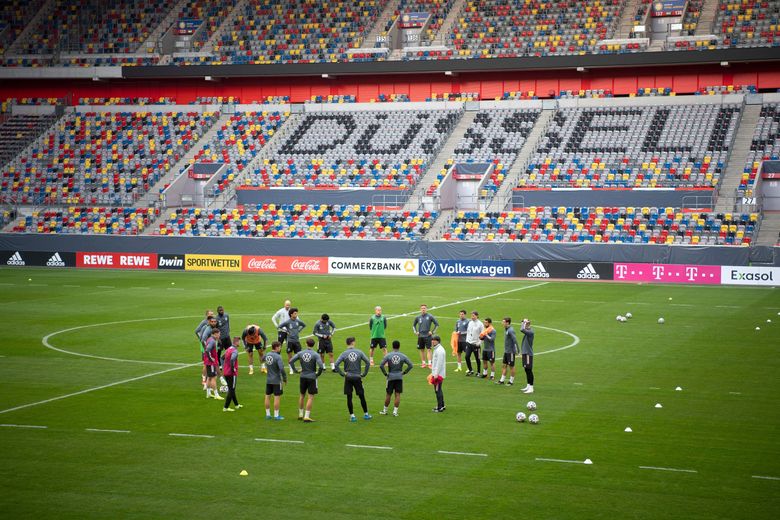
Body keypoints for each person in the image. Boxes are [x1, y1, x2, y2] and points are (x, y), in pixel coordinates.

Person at [334, 337, 372, 422]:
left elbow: (336, 365)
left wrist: (343, 374)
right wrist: (364, 374)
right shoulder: (359, 352)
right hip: (357, 377)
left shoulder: (344, 354)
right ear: (353, 343)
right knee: (361, 396)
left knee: (349, 397)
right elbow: (367, 362)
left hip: (348, 377)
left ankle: (352, 416)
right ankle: (366, 414)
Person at [289, 338, 324, 422]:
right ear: (313, 345)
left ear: (306, 344)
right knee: (310, 397)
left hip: (303, 376)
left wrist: (295, 370)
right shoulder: (315, 354)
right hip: (312, 377)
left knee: (301, 395)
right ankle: (306, 416)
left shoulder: (300, 353)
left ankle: (300, 414)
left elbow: (291, 361)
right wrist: (317, 374)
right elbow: (321, 366)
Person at [378, 340, 413, 416]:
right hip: (399, 377)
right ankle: (395, 412)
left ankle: (385, 410)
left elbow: (381, 365)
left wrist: (385, 374)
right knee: (397, 394)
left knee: (388, 394)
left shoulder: (388, 355)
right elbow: (411, 365)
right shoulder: (403, 356)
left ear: (392, 346)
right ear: (399, 346)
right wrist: (404, 372)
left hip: (390, 377)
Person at [263, 341, 287, 420]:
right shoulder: (278, 357)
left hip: (268, 380)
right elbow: (282, 369)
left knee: (267, 396)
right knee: (277, 397)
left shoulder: (267, 354)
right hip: (276, 380)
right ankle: (276, 416)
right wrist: (284, 378)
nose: (280, 349)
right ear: (276, 347)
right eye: (280, 347)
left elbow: (262, 359)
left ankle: (268, 414)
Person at [278, 308, 306, 374]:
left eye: (296, 313)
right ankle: (291, 369)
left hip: (297, 341)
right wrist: (286, 331)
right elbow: (280, 326)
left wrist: (299, 330)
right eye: (295, 313)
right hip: (290, 341)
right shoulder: (288, 322)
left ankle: (302, 368)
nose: (296, 314)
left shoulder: (298, 321)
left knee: (300, 355)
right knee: (289, 355)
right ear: (291, 314)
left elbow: (304, 325)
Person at [221, 337, 242, 412]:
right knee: (231, 390)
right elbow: (233, 359)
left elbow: (222, 358)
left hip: (226, 372)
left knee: (231, 389)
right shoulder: (234, 351)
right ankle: (225, 407)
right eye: (239, 342)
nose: (240, 343)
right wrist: (233, 368)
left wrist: (224, 367)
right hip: (231, 373)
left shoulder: (229, 349)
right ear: (236, 342)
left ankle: (236, 405)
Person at [496, 317, 519, 386]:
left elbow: (515, 340)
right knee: (504, 365)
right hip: (506, 351)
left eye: (503, 322)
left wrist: (518, 351)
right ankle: (502, 380)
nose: (502, 323)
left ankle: (511, 381)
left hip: (511, 352)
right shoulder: (506, 329)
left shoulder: (510, 330)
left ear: (507, 323)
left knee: (511, 366)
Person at [195, 310, 214, 388]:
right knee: (206, 363)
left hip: (211, 345)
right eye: (210, 314)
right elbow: (196, 331)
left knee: (210, 362)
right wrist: (201, 340)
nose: (212, 315)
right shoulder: (204, 324)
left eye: (213, 314)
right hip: (205, 345)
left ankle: (208, 378)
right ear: (206, 315)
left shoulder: (213, 323)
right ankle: (204, 379)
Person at [198, 314, 218, 390]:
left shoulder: (212, 328)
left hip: (210, 349)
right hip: (207, 350)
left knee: (210, 366)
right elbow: (202, 339)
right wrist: (207, 350)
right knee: (206, 365)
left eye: (215, 321)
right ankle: (204, 381)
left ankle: (207, 383)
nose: (214, 323)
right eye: (212, 321)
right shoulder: (208, 329)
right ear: (209, 322)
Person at [203, 328, 222, 400]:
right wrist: (211, 358)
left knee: (209, 377)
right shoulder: (212, 341)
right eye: (219, 334)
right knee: (214, 378)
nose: (219, 335)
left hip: (208, 362)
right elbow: (207, 350)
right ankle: (216, 395)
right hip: (211, 363)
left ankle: (208, 394)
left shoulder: (209, 339)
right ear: (215, 334)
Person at [465, 310, 484, 376]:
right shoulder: (470, 323)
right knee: (467, 356)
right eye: (471, 316)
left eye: (473, 316)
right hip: (469, 343)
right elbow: (468, 332)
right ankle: (470, 370)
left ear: (477, 316)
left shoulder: (480, 324)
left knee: (477, 358)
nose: (472, 317)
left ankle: (478, 372)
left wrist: (480, 343)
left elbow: (483, 334)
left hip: (476, 344)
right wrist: (467, 341)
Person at [430, 335, 446, 412]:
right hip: (437, 373)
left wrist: (435, 374)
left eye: (434, 340)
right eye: (432, 340)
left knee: (437, 390)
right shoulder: (437, 349)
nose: (432, 341)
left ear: (438, 341)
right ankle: (442, 405)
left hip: (438, 375)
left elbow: (439, 363)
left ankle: (440, 407)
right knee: (439, 389)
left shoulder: (439, 350)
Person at [519, 319, 535, 394]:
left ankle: (531, 387)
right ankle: (528, 386)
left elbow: (521, 329)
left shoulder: (530, 332)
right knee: (526, 370)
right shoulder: (528, 332)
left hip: (528, 354)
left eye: (525, 324)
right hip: (525, 353)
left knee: (529, 370)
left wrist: (524, 323)